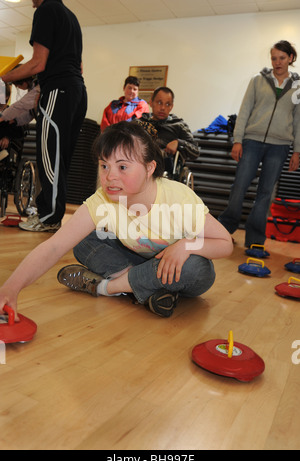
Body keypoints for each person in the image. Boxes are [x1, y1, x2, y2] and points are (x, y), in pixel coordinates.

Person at [0, 121, 233, 319]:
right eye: (104, 165)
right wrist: (11, 287)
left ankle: (107, 287)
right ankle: (144, 288)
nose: (110, 177)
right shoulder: (103, 199)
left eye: (122, 167)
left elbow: (225, 243)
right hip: (139, 262)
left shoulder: (178, 197)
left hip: (181, 269)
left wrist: (185, 245)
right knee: (84, 241)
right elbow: (54, 246)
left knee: (197, 267)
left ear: (149, 168)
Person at [0, 0, 87, 233]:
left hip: (58, 90)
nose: (31, 2)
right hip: (76, 91)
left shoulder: (46, 10)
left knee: (49, 157)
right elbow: (78, 67)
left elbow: (38, 63)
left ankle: (48, 217)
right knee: (60, 159)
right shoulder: (70, 16)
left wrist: (3, 77)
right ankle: (52, 216)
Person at [218, 40, 300, 247]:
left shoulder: (298, 86)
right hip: (252, 141)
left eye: (282, 58)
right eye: (274, 58)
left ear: (290, 58)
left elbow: (299, 120)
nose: (277, 62)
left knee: (265, 194)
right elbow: (244, 110)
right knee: (239, 187)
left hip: (279, 146)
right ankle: (225, 230)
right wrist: (238, 140)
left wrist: (297, 151)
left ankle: (254, 239)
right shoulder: (257, 80)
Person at [137, 87, 200, 167]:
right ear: (151, 102)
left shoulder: (178, 124)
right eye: (159, 102)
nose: (163, 108)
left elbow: (195, 152)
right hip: (141, 167)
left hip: (166, 171)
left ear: (171, 106)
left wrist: (179, 143)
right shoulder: (140, 123)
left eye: (167, 104)